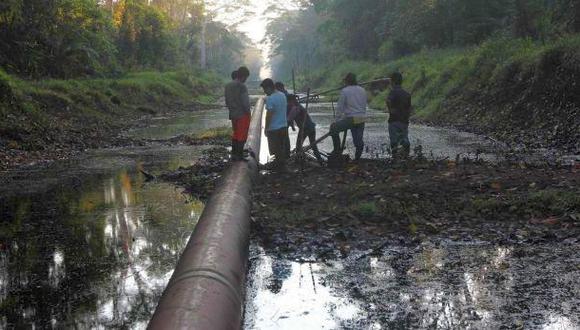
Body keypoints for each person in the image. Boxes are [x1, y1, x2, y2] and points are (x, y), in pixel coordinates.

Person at [329, 72, 367, 160]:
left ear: (347, 81)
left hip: (352, 119)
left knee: (333, 128)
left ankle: (337, 150)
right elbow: (364, 105)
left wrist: (336, 120)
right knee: (358, 140)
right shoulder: (362, 90)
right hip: (361, 118)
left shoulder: (345, 91)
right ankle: (357, 158)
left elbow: (340, 107)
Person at [260, 78, 289, 171]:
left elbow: (268, 116)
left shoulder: (270, 98)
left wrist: (266, 129)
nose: (264, 92)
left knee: (276, 150)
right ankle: (280, 166)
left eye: (264, 89)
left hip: (274, 129)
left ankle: (281, 169)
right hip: (284, 126)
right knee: (281, 148)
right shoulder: (282, 95)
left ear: (269, 88)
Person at [287, 94, 323, 164]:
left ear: (291, 101)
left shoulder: (295, 108)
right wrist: (293, 126)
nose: (288, 103)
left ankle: (298, 161)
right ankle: (320, 160)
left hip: (305, 128)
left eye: (288, 102)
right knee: (313, 145)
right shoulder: (299, 106)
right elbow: (292, 119)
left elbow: (289, 118)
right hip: (311, 127)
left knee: (298, 146)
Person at [225, 66, 251, 161]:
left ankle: (234, 154)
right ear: (243, 76)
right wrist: (248, 113)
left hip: (233, 114)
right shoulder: (242, 86)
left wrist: (232, 110)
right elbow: (245, 102)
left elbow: (227, 101)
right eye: (246, 77)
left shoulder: (228, 86)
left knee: (235, 134)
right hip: (242, 114)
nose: (246, 80)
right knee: (242, 135)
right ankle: (239, 156)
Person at [386, 72, 411, 158]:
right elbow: (409, 108)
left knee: (394, 140)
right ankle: (406, 154)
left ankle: (395, 156)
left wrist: (390, 110)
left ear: (393, 82)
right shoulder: (407, 94)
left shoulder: (393, 92)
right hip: (404, 120)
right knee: (404, 137)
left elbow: (388, 101)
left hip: (394, 120)